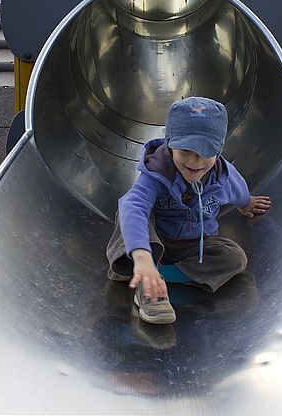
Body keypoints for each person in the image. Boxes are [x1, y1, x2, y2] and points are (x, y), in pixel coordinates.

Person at [106, 96, 272, 325]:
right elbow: (134, 205)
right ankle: (149, 285)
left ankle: (157, 275)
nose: (196, 161)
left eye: (206, 152)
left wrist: (247, 204)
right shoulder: (157, 174)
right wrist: (143, 257)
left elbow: (239, 191)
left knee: (235, 258)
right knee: (129, 213)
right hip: (155, 241)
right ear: (170, 143)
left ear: (219, 150)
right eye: (186, 150)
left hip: (193, 246)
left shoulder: (223, 176)